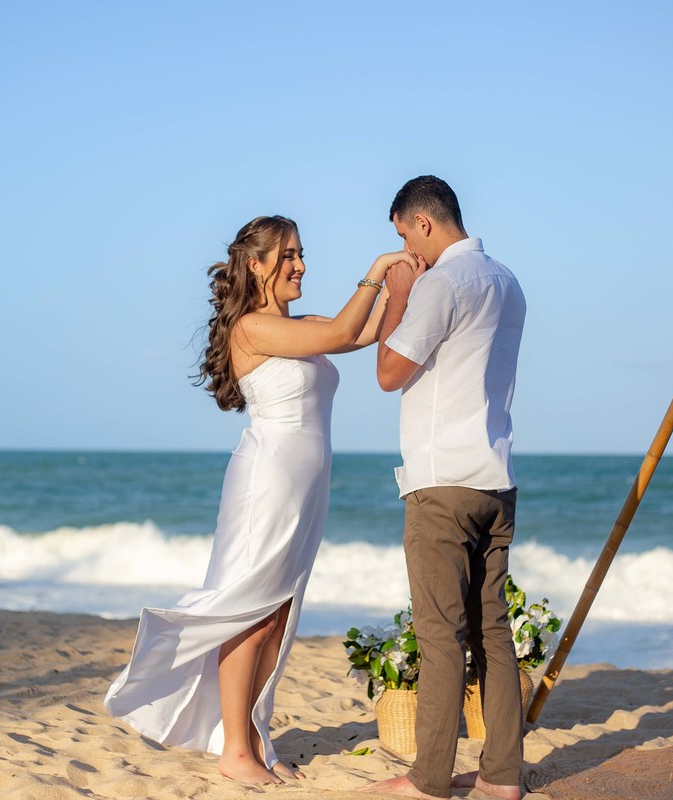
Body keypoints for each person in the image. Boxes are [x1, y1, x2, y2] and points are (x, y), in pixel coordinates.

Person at [105, 215, 414, 785]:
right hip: (265, 483)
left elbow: (367, 331)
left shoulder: (296, 327)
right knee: (247, 612)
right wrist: (376, 270)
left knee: (276, 614)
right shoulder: (251, 329)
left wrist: (404, 283)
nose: (300, 264)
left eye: (301, 253)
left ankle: (251, 737)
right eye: (289, 254)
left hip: (305, 487)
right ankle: (234, 754)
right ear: (257, 264)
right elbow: (347, 332)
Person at [364, 177, 527, 800]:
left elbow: (387, 373)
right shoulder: (507, 281)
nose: (408, 248)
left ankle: (428, 781)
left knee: (439, 635)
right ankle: (501, 777)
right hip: (495, 478)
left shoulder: (439, 283)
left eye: (405, 234)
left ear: (423, 223)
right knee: (493, 632)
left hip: (441, 484)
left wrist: (400, 293)